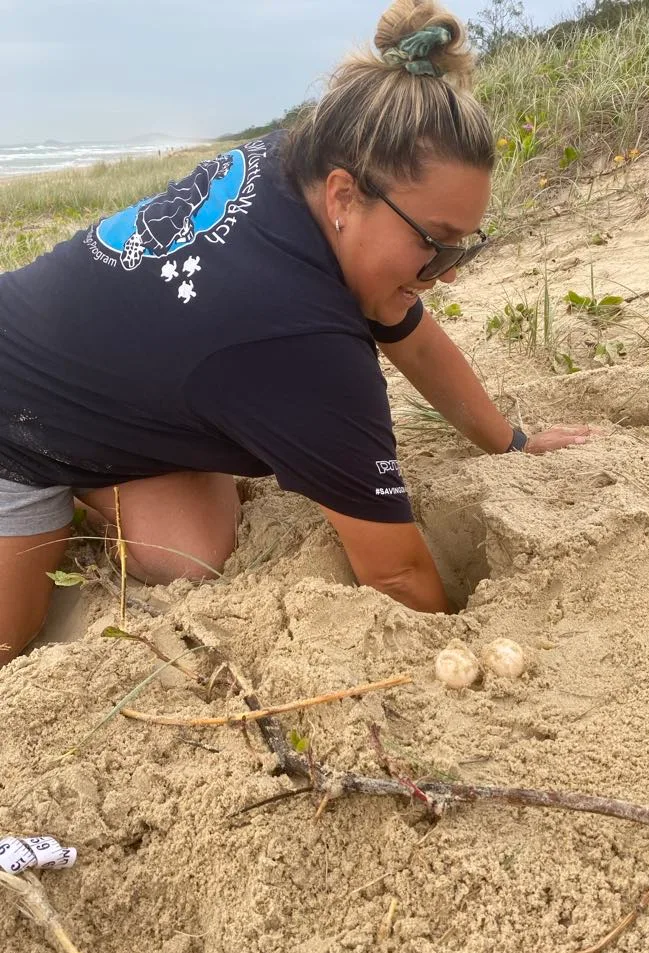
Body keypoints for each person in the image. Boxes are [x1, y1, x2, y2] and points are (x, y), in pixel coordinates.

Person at [0, 0, 591, 669]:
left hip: (93, 364)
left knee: (193, 557)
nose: (445, 275)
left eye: (461, 250)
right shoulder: (297, 340)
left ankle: (96, 453)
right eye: (435, 245)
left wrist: (511, 443)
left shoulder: (305, 163)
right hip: (11, 413)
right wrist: (460, 648)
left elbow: (415, 338)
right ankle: (56, 477)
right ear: (345, 197)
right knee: (6, 640)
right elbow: (395, 577)